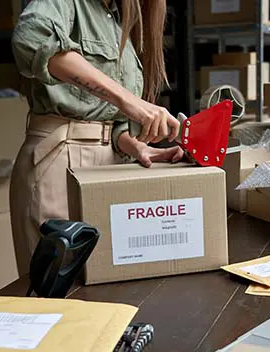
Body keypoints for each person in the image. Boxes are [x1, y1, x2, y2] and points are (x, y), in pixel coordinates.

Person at [10, 0, 183, 276]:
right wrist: (128, 100)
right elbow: (30, 39)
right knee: (60, 291)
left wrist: (134, 145)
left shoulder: (114, 22)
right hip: (62, 158)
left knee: (107, 282)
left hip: (109, 163)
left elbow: (103, 116)